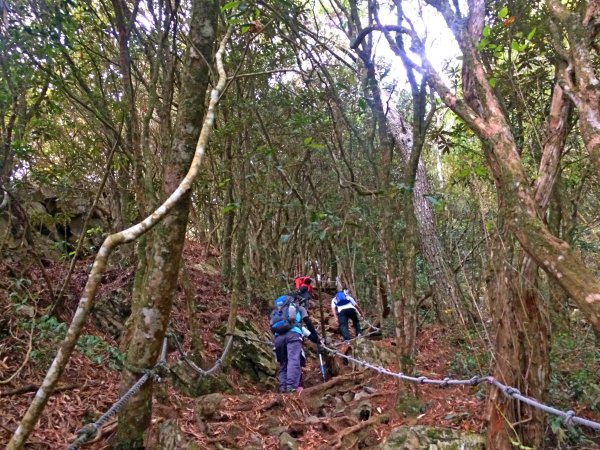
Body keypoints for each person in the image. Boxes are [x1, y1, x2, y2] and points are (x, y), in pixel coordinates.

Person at [270, 295, 304, 393]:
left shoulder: (277, 310)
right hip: (293, 335)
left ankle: (282, 386)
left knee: (284, 362)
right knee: (293, 359)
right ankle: (291, 386)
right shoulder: (296, 307)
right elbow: (301, 321)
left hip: (278, 337)